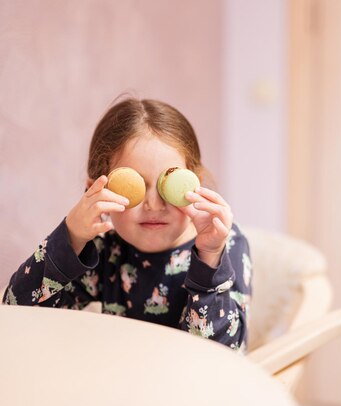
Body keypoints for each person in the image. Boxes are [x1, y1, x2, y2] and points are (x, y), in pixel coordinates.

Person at [3, 98, 251, 352]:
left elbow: (223, 356)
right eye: (135, 187)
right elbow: (18, 315)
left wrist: (209, 259)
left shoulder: (226, 244)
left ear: (194, 185)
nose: (153, 205)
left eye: (168, 186)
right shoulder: (106, 250)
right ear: (97, 191)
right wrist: (71, 237)